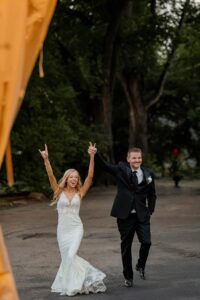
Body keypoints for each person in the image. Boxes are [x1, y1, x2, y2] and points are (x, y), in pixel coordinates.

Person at [39, 143, 106, 296]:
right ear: (67, 178)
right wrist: (46, 159)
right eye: (71, 177)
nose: (74, 179)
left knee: (70, 255)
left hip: (76, 229)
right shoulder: (58, 191)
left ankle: (77, 283)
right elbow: (50, 176)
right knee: (67, 258)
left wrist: (92, 157)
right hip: (62, 231)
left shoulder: (80, 193)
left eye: (76, 177)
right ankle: (70, 283)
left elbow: (90, 177)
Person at [90, 146, 156, 287]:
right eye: (134, 157)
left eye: (139, 158)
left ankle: (140, 265)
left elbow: (152, 194)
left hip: (141, 216)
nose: (137, 160)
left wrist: (150, 210)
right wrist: (96, 154)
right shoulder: (121, 169)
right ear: (128, 159)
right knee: (126, 247)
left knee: (147, 242)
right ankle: (128, 277)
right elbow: (105, 166)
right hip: (124, 216)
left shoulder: (148, 173)